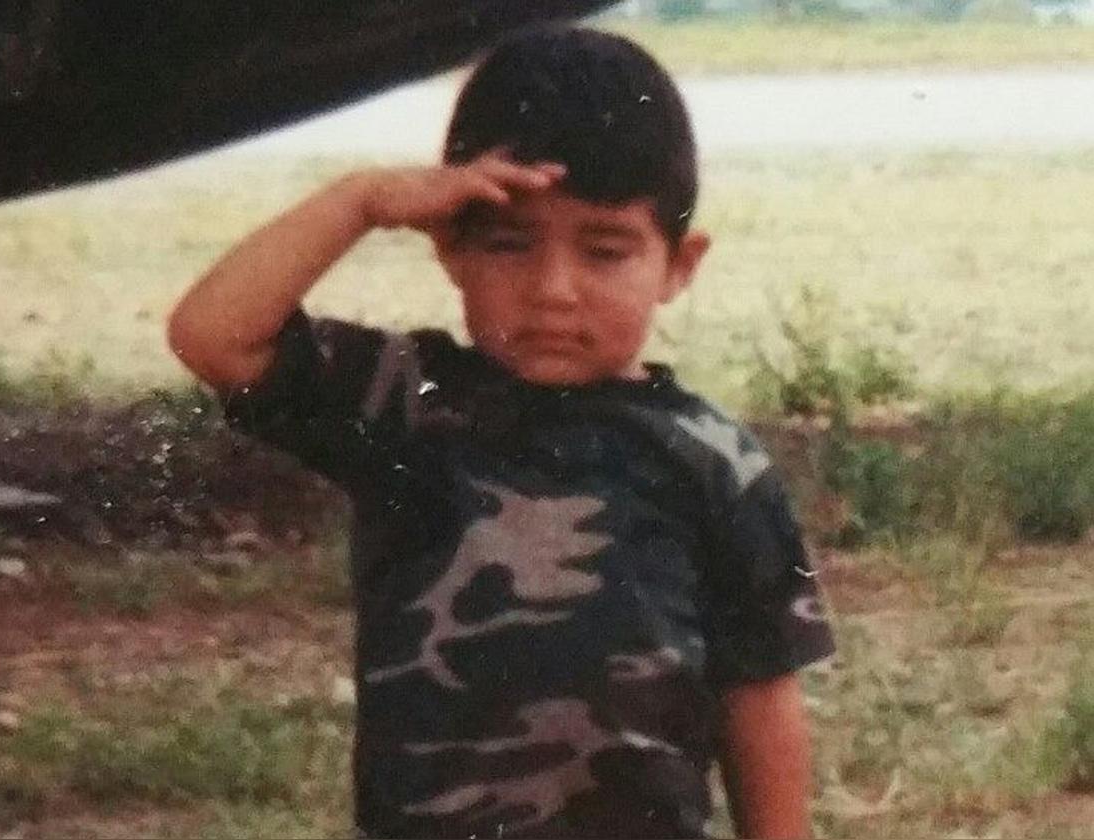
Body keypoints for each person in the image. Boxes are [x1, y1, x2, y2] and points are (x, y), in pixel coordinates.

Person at [168, 26, 835, 840]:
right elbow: (213, 335)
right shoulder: (403, 405)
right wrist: (362, 201)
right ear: (450, 249)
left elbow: (760, 689)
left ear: (677, 265)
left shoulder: (716, 460)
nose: (553, 290)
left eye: (604, 251)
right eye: (511, 245)